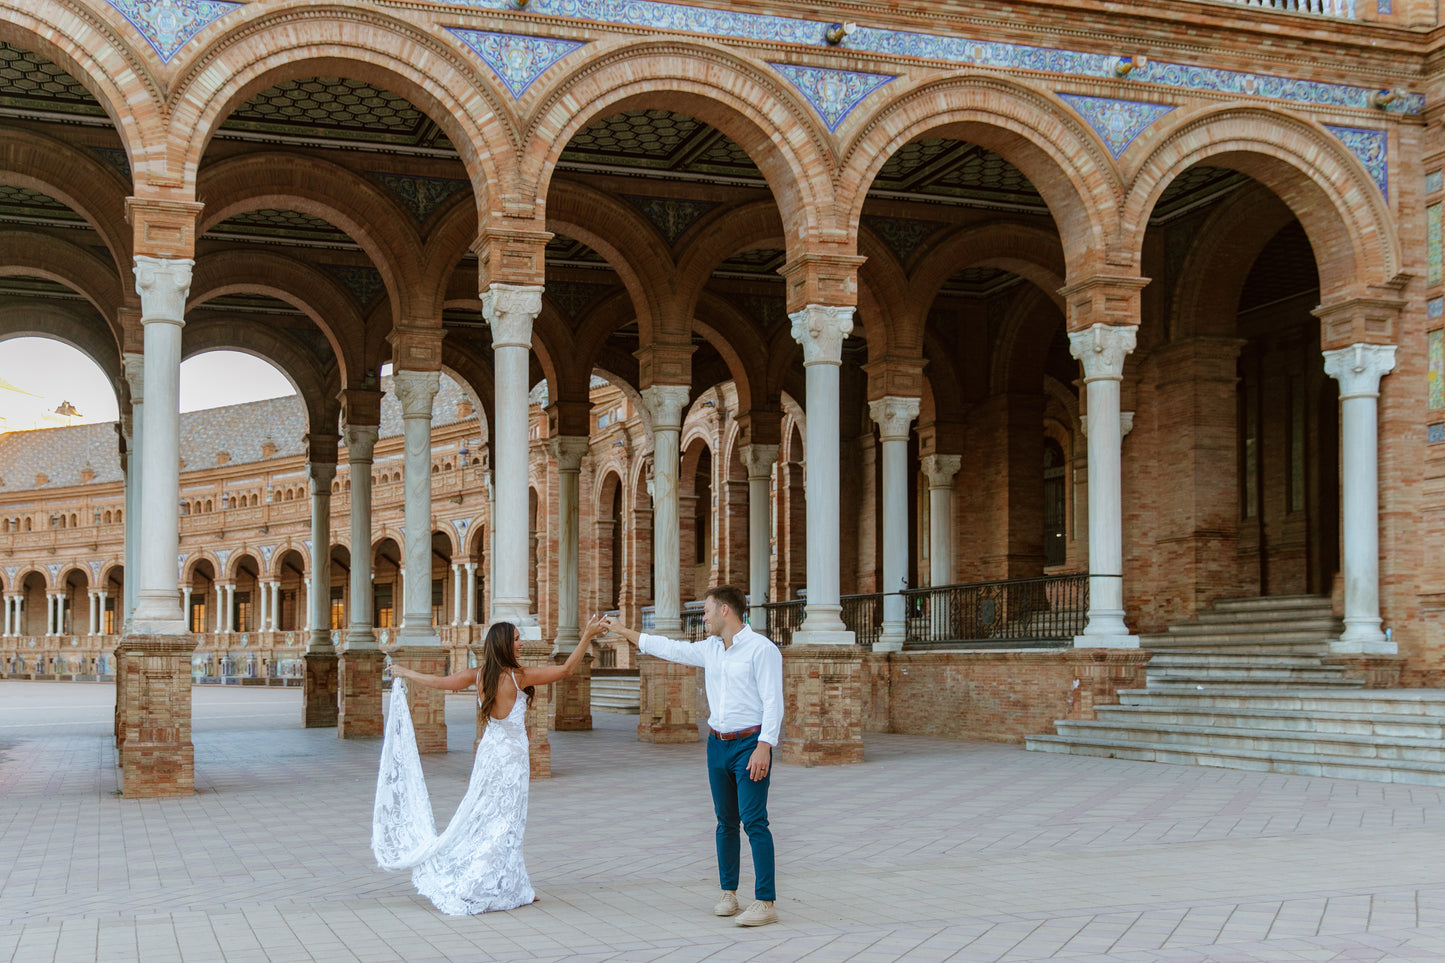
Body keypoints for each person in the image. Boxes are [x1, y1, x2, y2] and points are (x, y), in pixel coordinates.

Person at [371, 614, 609, 916]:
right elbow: (566, 669)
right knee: (506, 821)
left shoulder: (479, 674)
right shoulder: (517, 676)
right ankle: (476, 884)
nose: (522, 644)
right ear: (504, 645)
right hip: (510, 757)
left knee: (489, 816)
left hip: (489, 753)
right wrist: (586, 635)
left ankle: (516, 884)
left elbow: (439, 682)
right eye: (517, 639)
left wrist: (406, 672)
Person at [607, 585, 783, 927]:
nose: (702, 617)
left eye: (706, 610)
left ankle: (765, 901)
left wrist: (766, 744)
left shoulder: (762, 650)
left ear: (725, 611)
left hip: (750, 744)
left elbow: (773, 701)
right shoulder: (711, 649)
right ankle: (728, 892)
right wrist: (623, 631)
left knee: (755, 822)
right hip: (717, 744)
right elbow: (670, 648)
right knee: (725, 822)